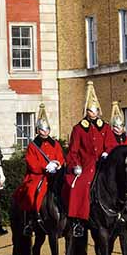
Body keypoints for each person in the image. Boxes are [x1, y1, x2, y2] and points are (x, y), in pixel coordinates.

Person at [64, 82, 111, 237]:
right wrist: (76, 165)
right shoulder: (78, 129)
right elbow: (73, 151)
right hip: (87, 166)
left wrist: (107, 153)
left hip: (104, 164)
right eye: (91, 110)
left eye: (96, 109)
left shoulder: (105, 127)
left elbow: (111, 145)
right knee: (79, 186)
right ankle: (78, 220)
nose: (94, 113)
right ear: (86, 111)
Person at [14, 104, 64, 233]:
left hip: (55, 174)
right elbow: (31, 163)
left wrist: (57, 164)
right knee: (32, 192)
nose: (45, 132)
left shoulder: (55, 144)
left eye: (47, 129)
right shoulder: (33, 145)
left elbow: (61, 157)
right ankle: (30, 220)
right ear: (38, 130)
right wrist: (45, 167)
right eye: (42, 130)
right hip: (38, 175)